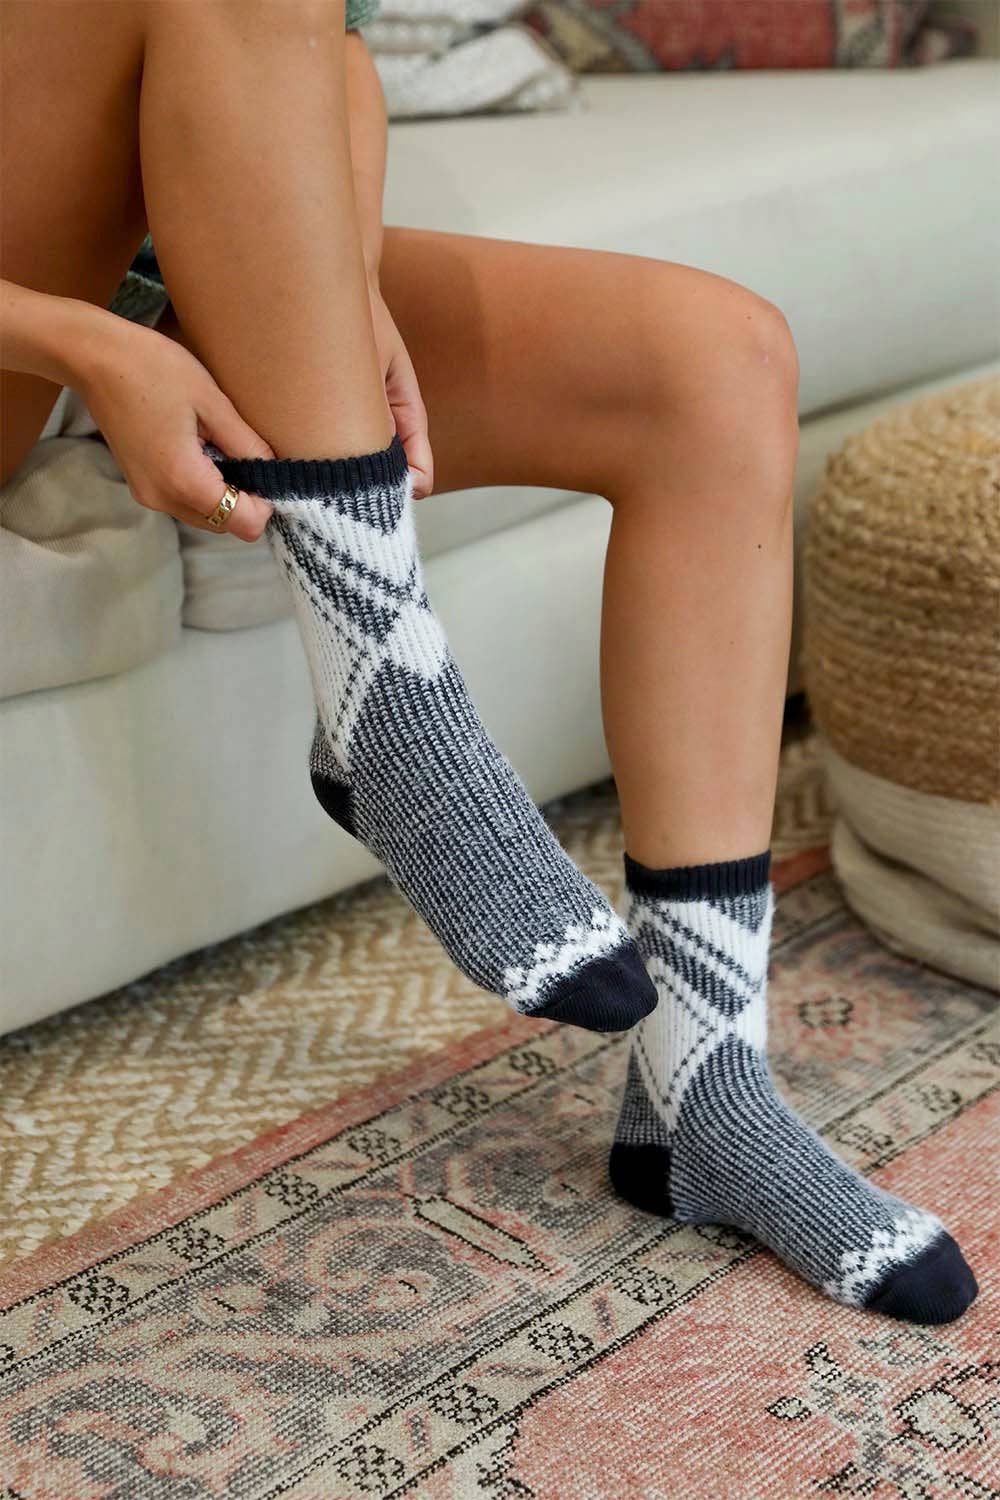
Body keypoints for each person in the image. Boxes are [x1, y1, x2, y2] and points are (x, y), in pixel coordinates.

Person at [0, 0, 976, 1324]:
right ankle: (385, 697)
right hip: (33, 317)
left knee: (713, 363)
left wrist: (336, 285)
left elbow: (317, 57)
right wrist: (83, 345)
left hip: (169, 272)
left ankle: (707, 1087)